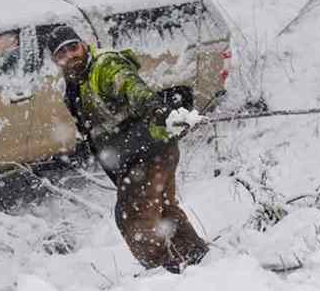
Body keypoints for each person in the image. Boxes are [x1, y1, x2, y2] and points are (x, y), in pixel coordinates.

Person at [46, 25, 209, 274]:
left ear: (84, 44)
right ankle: (196, 258)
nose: (71, 55)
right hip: (144, 153)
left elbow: (132, 88)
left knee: (132, 216)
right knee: (162, 209)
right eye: (62, 53)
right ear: (55, 61)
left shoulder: (104, 66)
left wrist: (156, 110)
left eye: (73, 47)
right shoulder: (75, 83)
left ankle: (162, 274)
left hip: (149, 151)